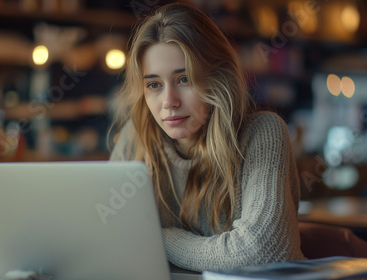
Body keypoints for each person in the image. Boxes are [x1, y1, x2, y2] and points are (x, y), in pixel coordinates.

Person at [109, 3, 305, 272]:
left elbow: (262, 251)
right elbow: (105, 235)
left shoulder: (263, 134)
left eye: (184, 79)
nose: (169, 102)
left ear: (217, 78)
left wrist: (158, 238)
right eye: (154, 84)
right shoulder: (137, 135)